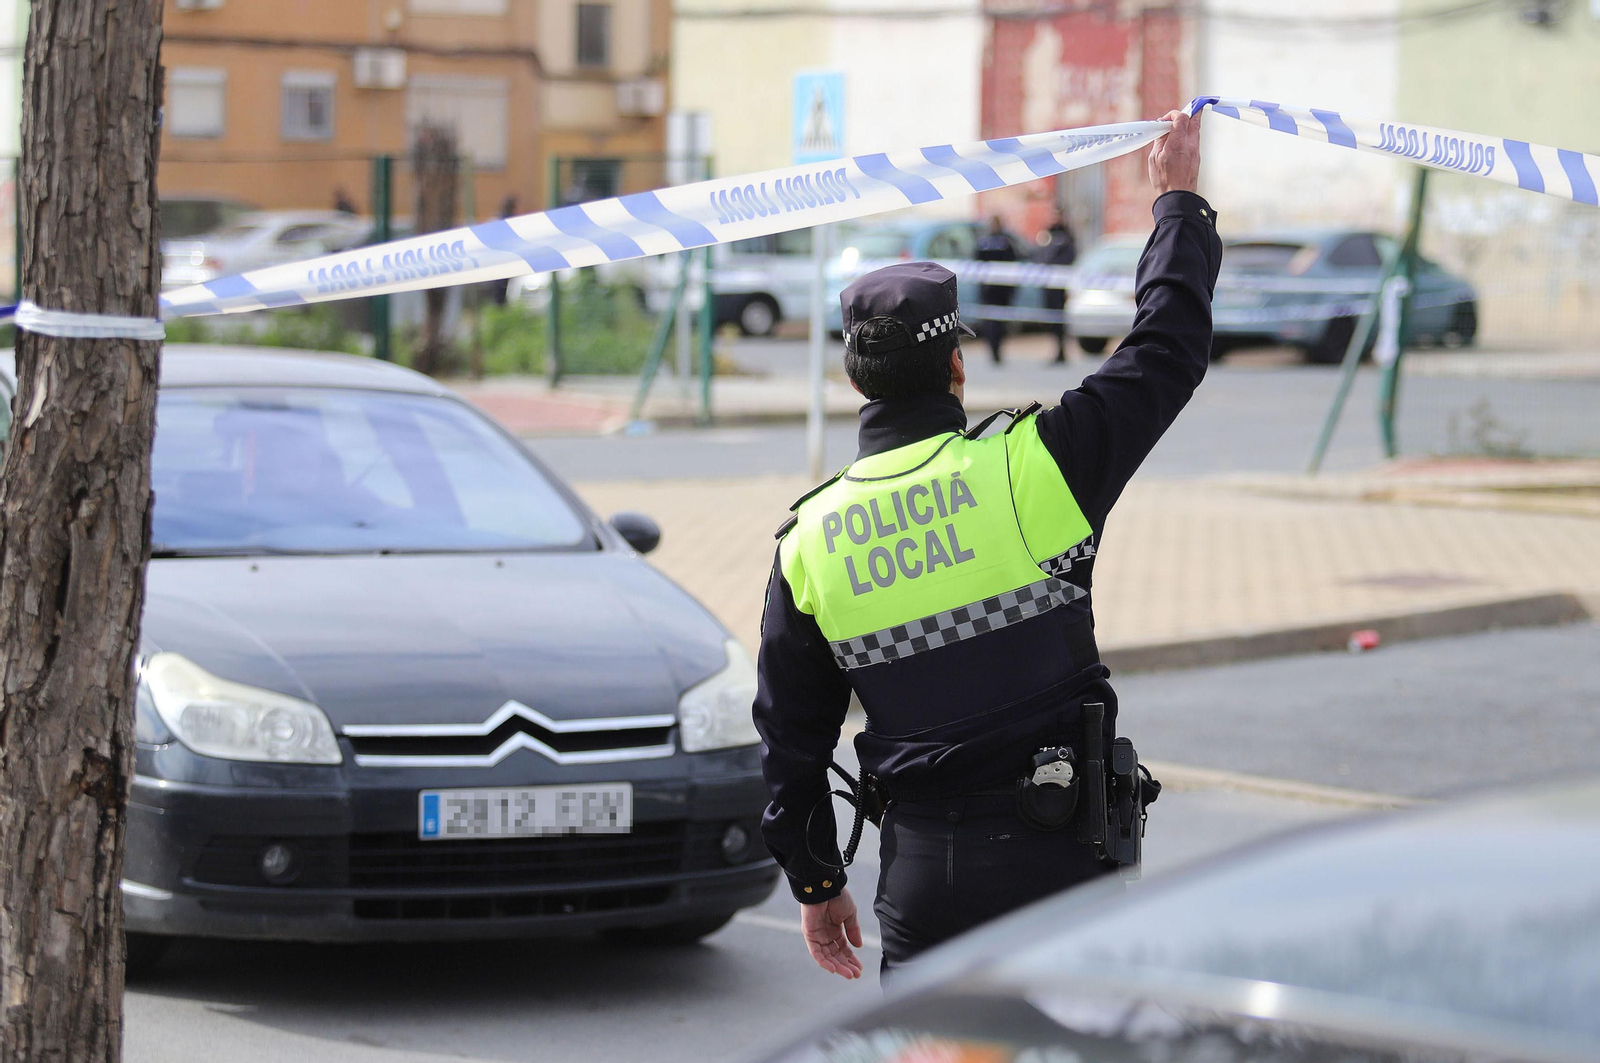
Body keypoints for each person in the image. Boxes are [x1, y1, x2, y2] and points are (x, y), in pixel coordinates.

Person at [752, 110, 1219, 980]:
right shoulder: (1034, 466)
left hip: (927, 874)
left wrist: (816, 879)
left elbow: (790, 738)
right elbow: (1166, 351)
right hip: (1060, 862)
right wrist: (1178, 204)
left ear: (853, 378)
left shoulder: (808, 542)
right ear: (957, 366)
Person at [973, 215, 1018, 364]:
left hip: (991, 289)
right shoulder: (1005, 242)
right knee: (996, 321)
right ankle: (995, 350)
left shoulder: (986, 242)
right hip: (998, 289)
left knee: (994, 321)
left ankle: (995, 350)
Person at [1038, 208, 1079, 363]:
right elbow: (1041, 254)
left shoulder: (1067, 234)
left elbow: (1070, 257)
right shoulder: (1046, 233)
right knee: (1050, 318)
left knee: (1059, 318)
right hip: (1047, 283)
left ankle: (1062, 350)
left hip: (1060, 285)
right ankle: (1056, 349)